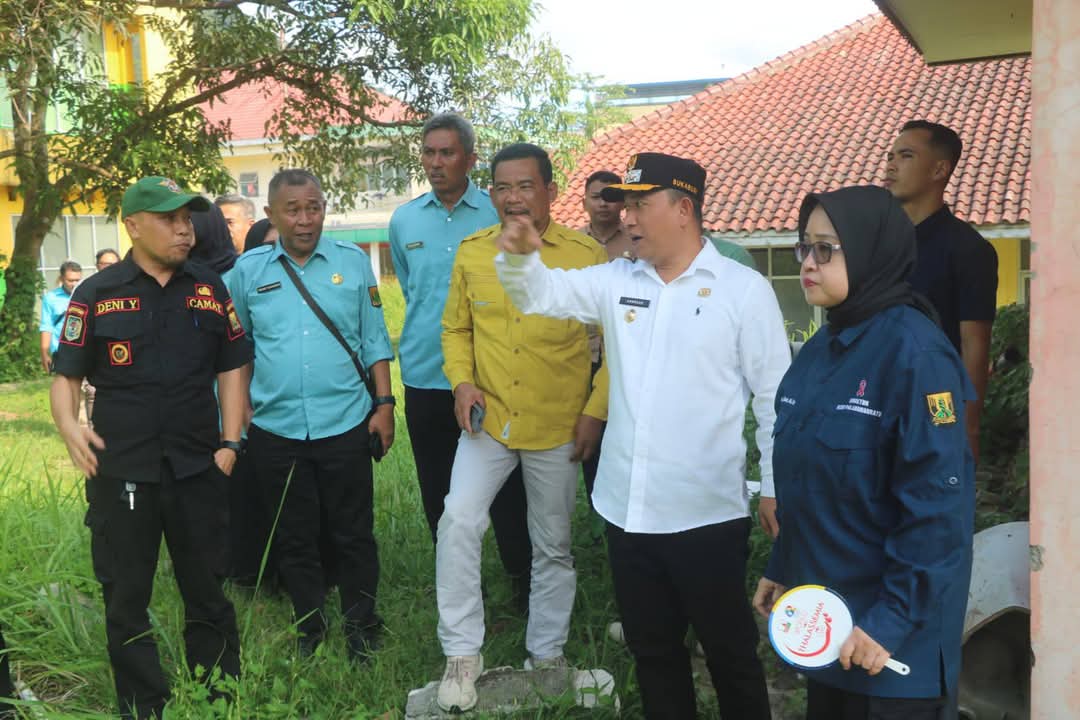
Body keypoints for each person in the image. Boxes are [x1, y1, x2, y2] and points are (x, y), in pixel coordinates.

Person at [494, 152, 788, 719]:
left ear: (683, 209)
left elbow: (776, 400)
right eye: (623, 204)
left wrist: (776, 485)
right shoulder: (617, 280)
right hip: (626, 510)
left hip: (705, 513)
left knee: (730, 654)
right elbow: (540, 295)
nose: (625, 217)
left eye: (639, 204)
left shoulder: (743, 291)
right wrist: (521, 257)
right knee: (653, 654)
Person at [752, 186, 975, 720]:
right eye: (804, 247)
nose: (808, 263)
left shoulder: (916, 356)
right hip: (828, 622)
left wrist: (888, 621)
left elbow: (939, 510)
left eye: (826, 249)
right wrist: (784, 565)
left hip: (891, 644)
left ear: (873, 251)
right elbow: (807, 480)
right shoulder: (820, 350)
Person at [49, 176, 251, 720]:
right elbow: (67, 374)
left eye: (187, 218)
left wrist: (231, 442)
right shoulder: (96, 293)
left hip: (198, 464)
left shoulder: (209, 287)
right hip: (122, 468)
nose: (184, 229)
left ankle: (218, 693)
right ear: (133, 226)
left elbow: (233, 366)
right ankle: (143, 705)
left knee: (207, 588)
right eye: (169, 219)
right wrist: (68, 425)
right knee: (126, 594)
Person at [435, 143, 609, 713]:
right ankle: (461, 653)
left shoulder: (585, 256)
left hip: (558, 423)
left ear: (551, 192)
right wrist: (462, 383)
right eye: (503, 187)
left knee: (553, 544)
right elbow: (456, 330)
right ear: (491, 194)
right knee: (458, 519)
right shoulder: (473, 253)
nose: (513, 198)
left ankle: (548, 653)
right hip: (488, 423)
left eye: (526, 186)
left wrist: (594, 411)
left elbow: (613, 346)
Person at [226, 169, 394, 661]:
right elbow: (237, 346)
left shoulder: (352, 263)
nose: (305, 219)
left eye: (314, 208)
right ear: (271, 215)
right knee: (293, 534)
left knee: (353, 532)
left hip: (345, 420)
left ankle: (362, 625)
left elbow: (374, 338)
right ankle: (310, 627)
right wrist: (241, 410)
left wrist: (385, 405)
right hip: (275, 428)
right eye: (293, 210)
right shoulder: (247, 272)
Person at [388, 113, 532, 603]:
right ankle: (457, 585)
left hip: (493, 377)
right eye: (428, 153)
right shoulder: (404, 221)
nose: (436, 163)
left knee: (508, 489)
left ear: (470, 159)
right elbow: (414, 290)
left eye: (447, 153)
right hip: (427, 374)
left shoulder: (497, 214)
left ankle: (522, 581)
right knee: (437, 488)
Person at [885, 120, 997, 463]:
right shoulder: (879, 245)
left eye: (906, 155)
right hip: (875, 394)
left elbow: (974, 344)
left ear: (939, 169)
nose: (891, 165)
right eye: (891, 156)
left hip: (939, 398)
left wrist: (969, 429)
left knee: (936, 479)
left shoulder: (968, 249)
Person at [39, 260, 82, 372]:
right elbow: (46, 326)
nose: (74, 284)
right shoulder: (51, 298)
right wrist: (44, 353)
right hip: (61, 351)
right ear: (62, 279)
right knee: (65, 381)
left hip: (84, 350)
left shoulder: (87, 295)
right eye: (70, 280)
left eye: (77, 280)